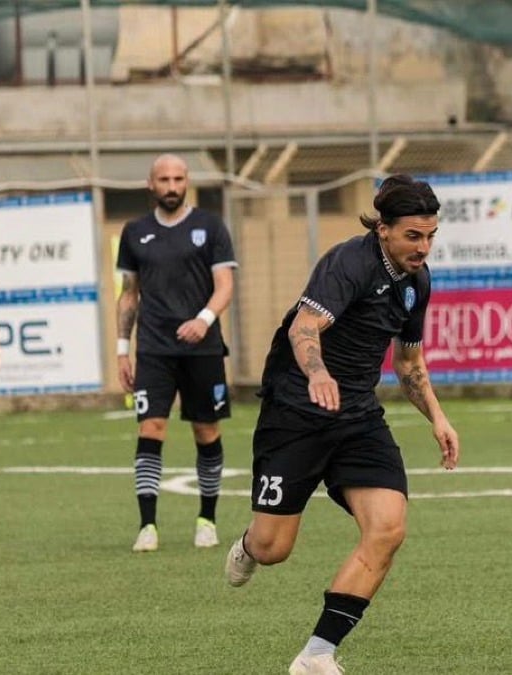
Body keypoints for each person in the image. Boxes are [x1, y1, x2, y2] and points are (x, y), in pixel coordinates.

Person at [224, 174, 461, 675]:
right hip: (296, 412)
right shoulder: (348, 262)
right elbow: (303, 327)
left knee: (388, 528)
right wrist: (318, 373)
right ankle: (248, 544)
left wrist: (438, 418)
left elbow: (410, 365)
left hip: (356, 415)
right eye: (412, 236)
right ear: (383, 230)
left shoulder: (418, 283)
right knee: (273, 549)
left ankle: (317, 653)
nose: (423, 248)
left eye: (431, 236)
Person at [115, 153, 238, 552]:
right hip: (153, 348)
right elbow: (129, 293)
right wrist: (122, 349)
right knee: (151, 427)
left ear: (188, 182)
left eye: (178, 178)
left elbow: (224, 285)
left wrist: (203, 319)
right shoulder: (135, 232)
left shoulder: (210, 226)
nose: (171, 186)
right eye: (164, 179)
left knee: (206, 430)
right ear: (151, 184)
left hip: (203, 349)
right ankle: (147, 526)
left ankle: (207, 518)